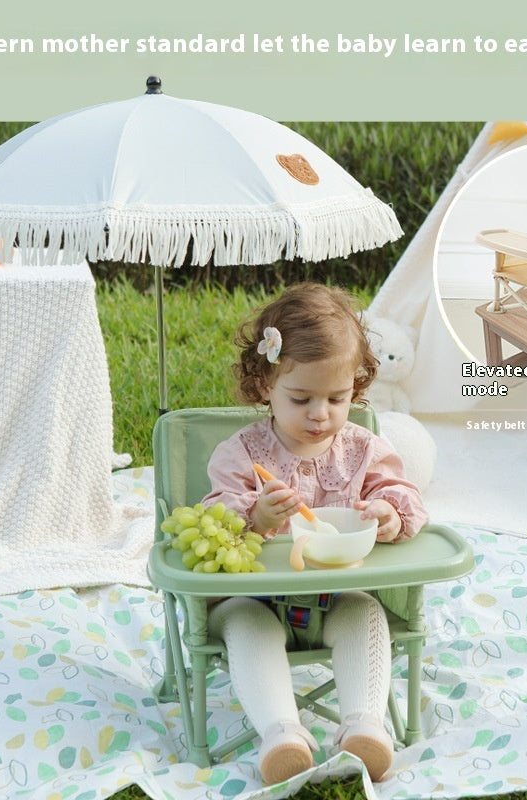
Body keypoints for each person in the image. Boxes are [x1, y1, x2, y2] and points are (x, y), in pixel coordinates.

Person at [202, 282, 428, 785]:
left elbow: (406, 495)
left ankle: (364, 726)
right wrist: (255, 517)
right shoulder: (242, 455)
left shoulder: (362, 450)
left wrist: (389, 514)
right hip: (255, 598)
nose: (320, 413)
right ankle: (283, 734)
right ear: (265, 385)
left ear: (357, 389)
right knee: (244, 622)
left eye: (337, 397)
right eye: (301, 397)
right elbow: (213, 523)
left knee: (366, 612)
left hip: (334, 595)